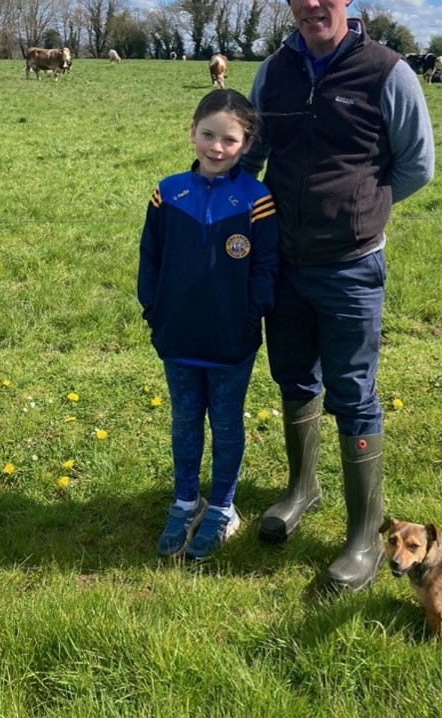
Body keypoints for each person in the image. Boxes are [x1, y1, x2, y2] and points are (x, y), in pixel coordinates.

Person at [241, 0, 435, 591]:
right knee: (294, 377)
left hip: (352, 265)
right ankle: (302, 489)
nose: (310, 0)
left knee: (352, 393)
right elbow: (253, 154)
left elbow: (417, 166)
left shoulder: (388, 71)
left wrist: (363, 208)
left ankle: (364, 532)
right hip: (285, 262)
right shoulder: (274, 71)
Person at [138, 89, 279, 561]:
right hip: (176, 336)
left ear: (246, 144)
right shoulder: (167, 192)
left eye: (230, 140)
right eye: (208, 135)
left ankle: (221, 508)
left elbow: (265, 270)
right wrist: (154, 313)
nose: (217, 148)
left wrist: (249, 319)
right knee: (183, 421)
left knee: (225, 422)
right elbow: (150, 259)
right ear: (192, 132)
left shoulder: (257, 201)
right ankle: (185, 502)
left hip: (230, 340)